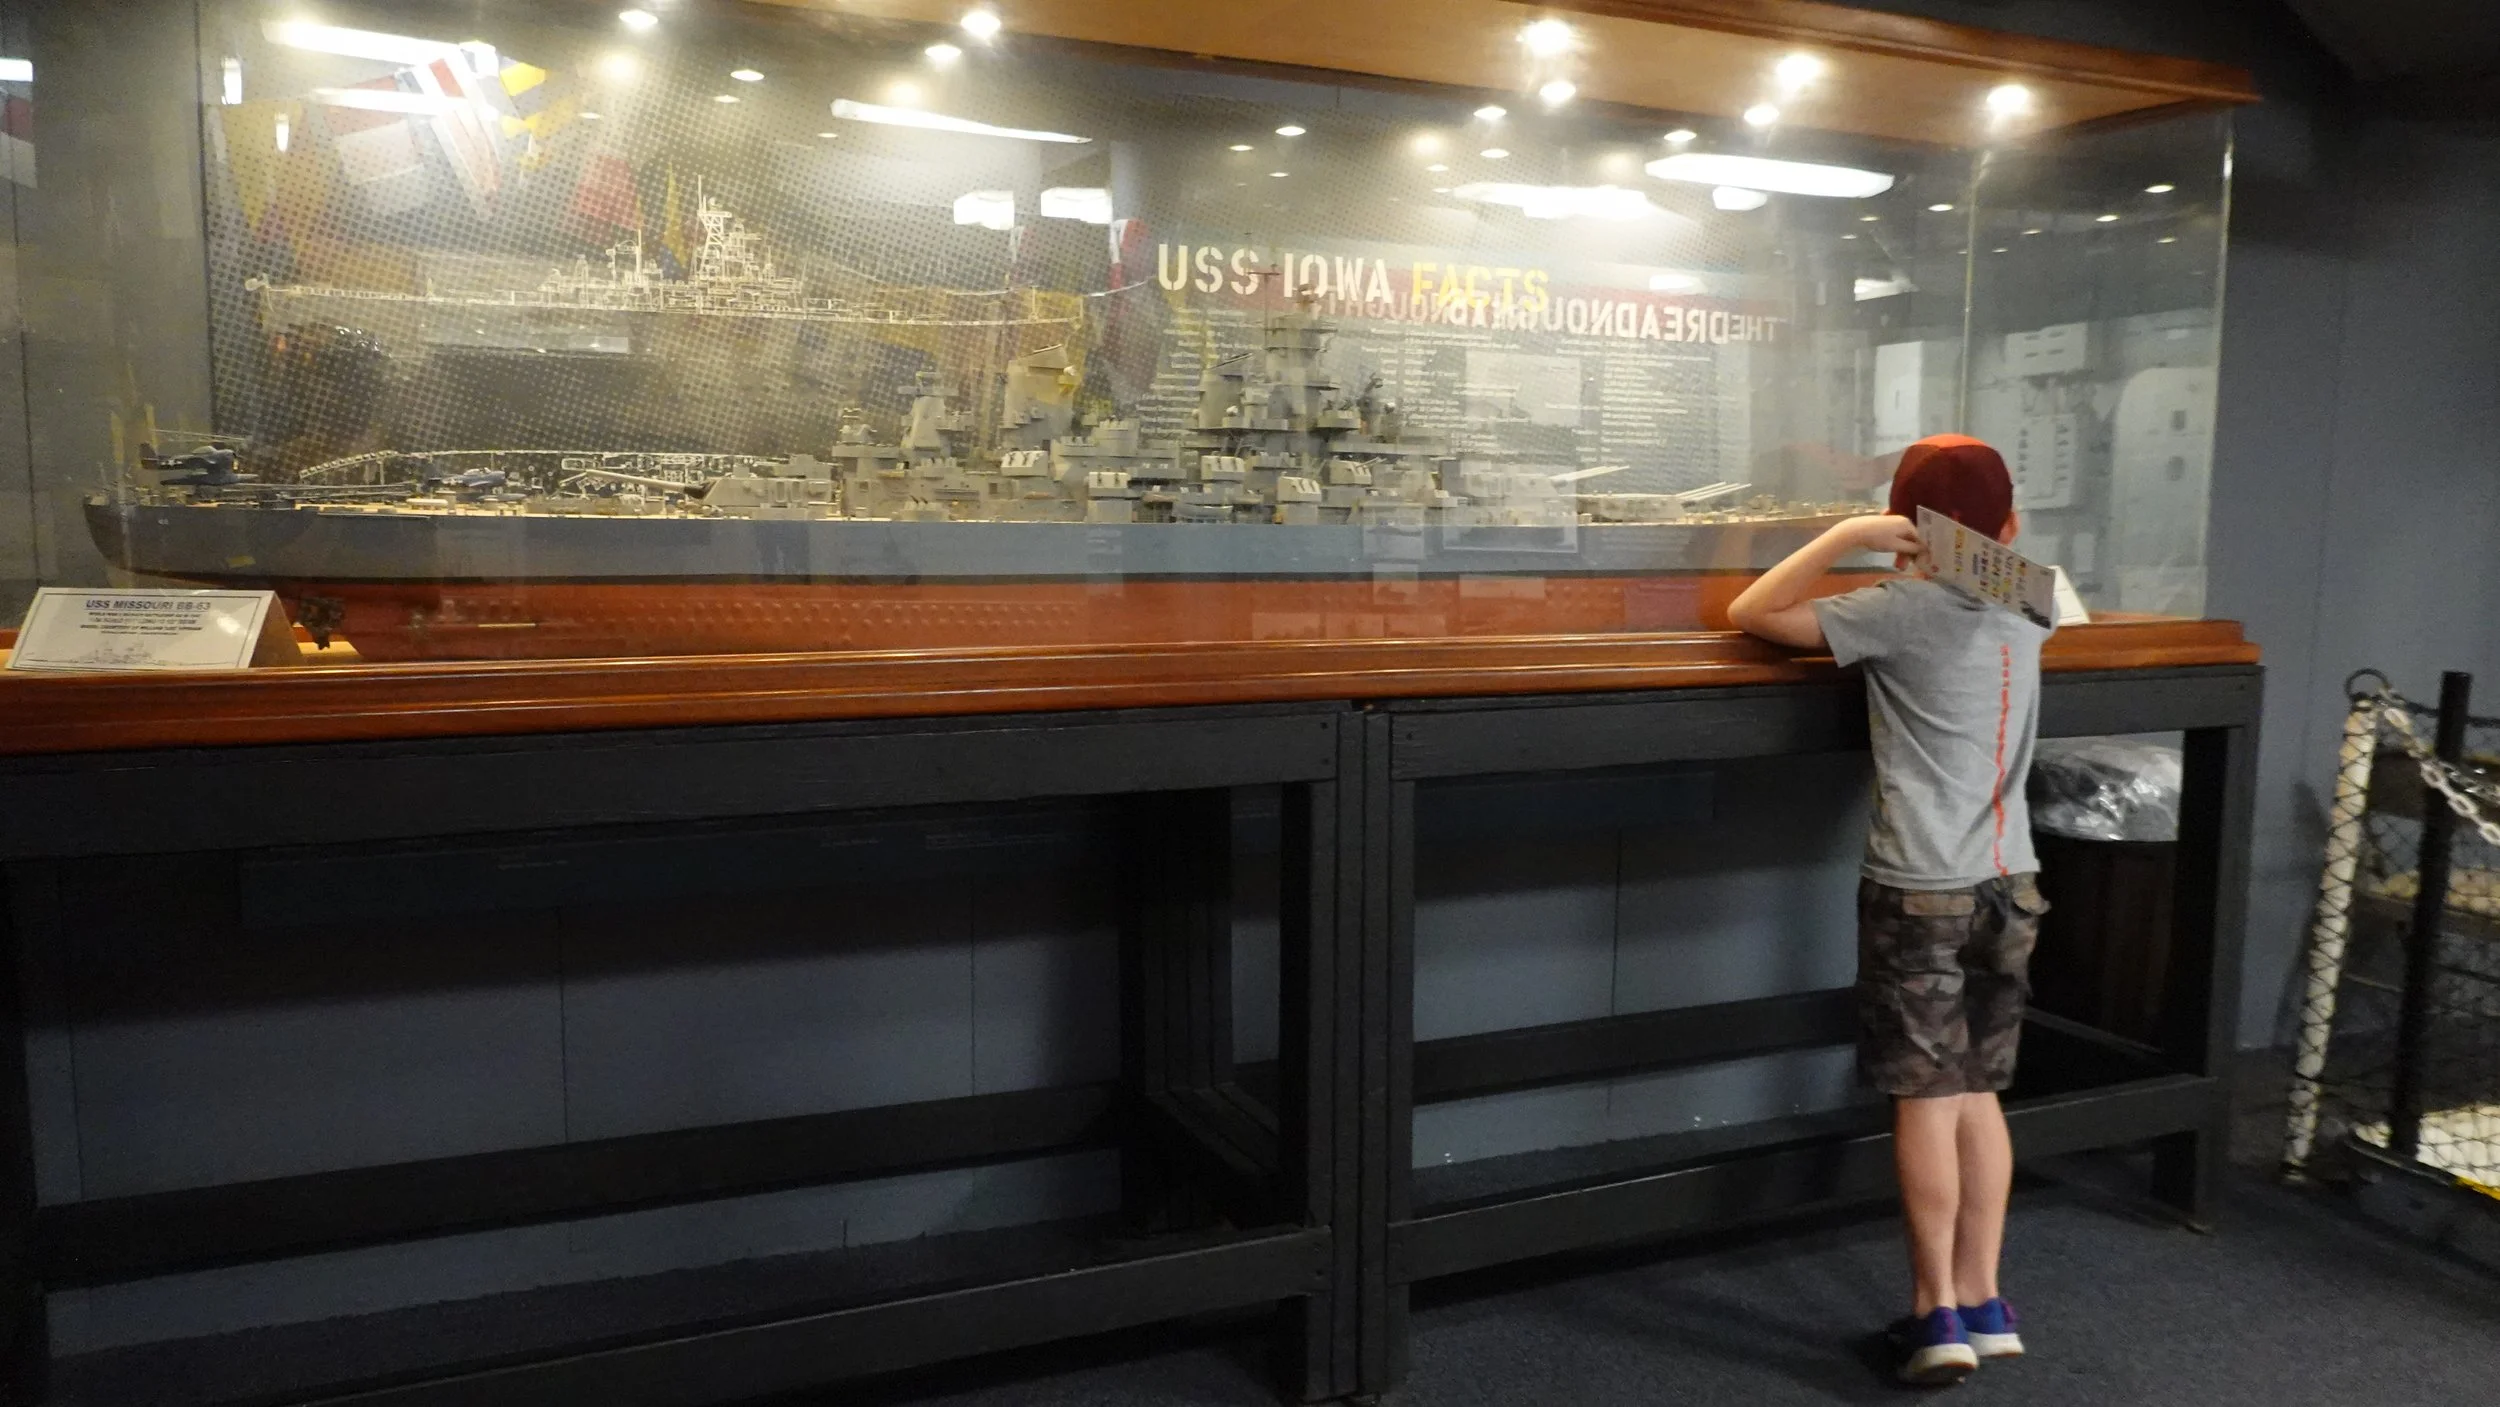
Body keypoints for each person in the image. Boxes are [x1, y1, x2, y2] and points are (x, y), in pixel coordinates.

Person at [1726, 434, 2051, 1387]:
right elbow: (1998, 561)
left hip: (1922, 885)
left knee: (1927, 1098)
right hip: (2012, 879)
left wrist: (1847, 537)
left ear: (1905, 529)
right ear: (2008, 528)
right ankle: (1985, 1302)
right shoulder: (2032, 602)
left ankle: (1932, 1312)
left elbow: (1754, 612)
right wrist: (1963, 544)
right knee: (1979, 1091)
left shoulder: (1895, 609)